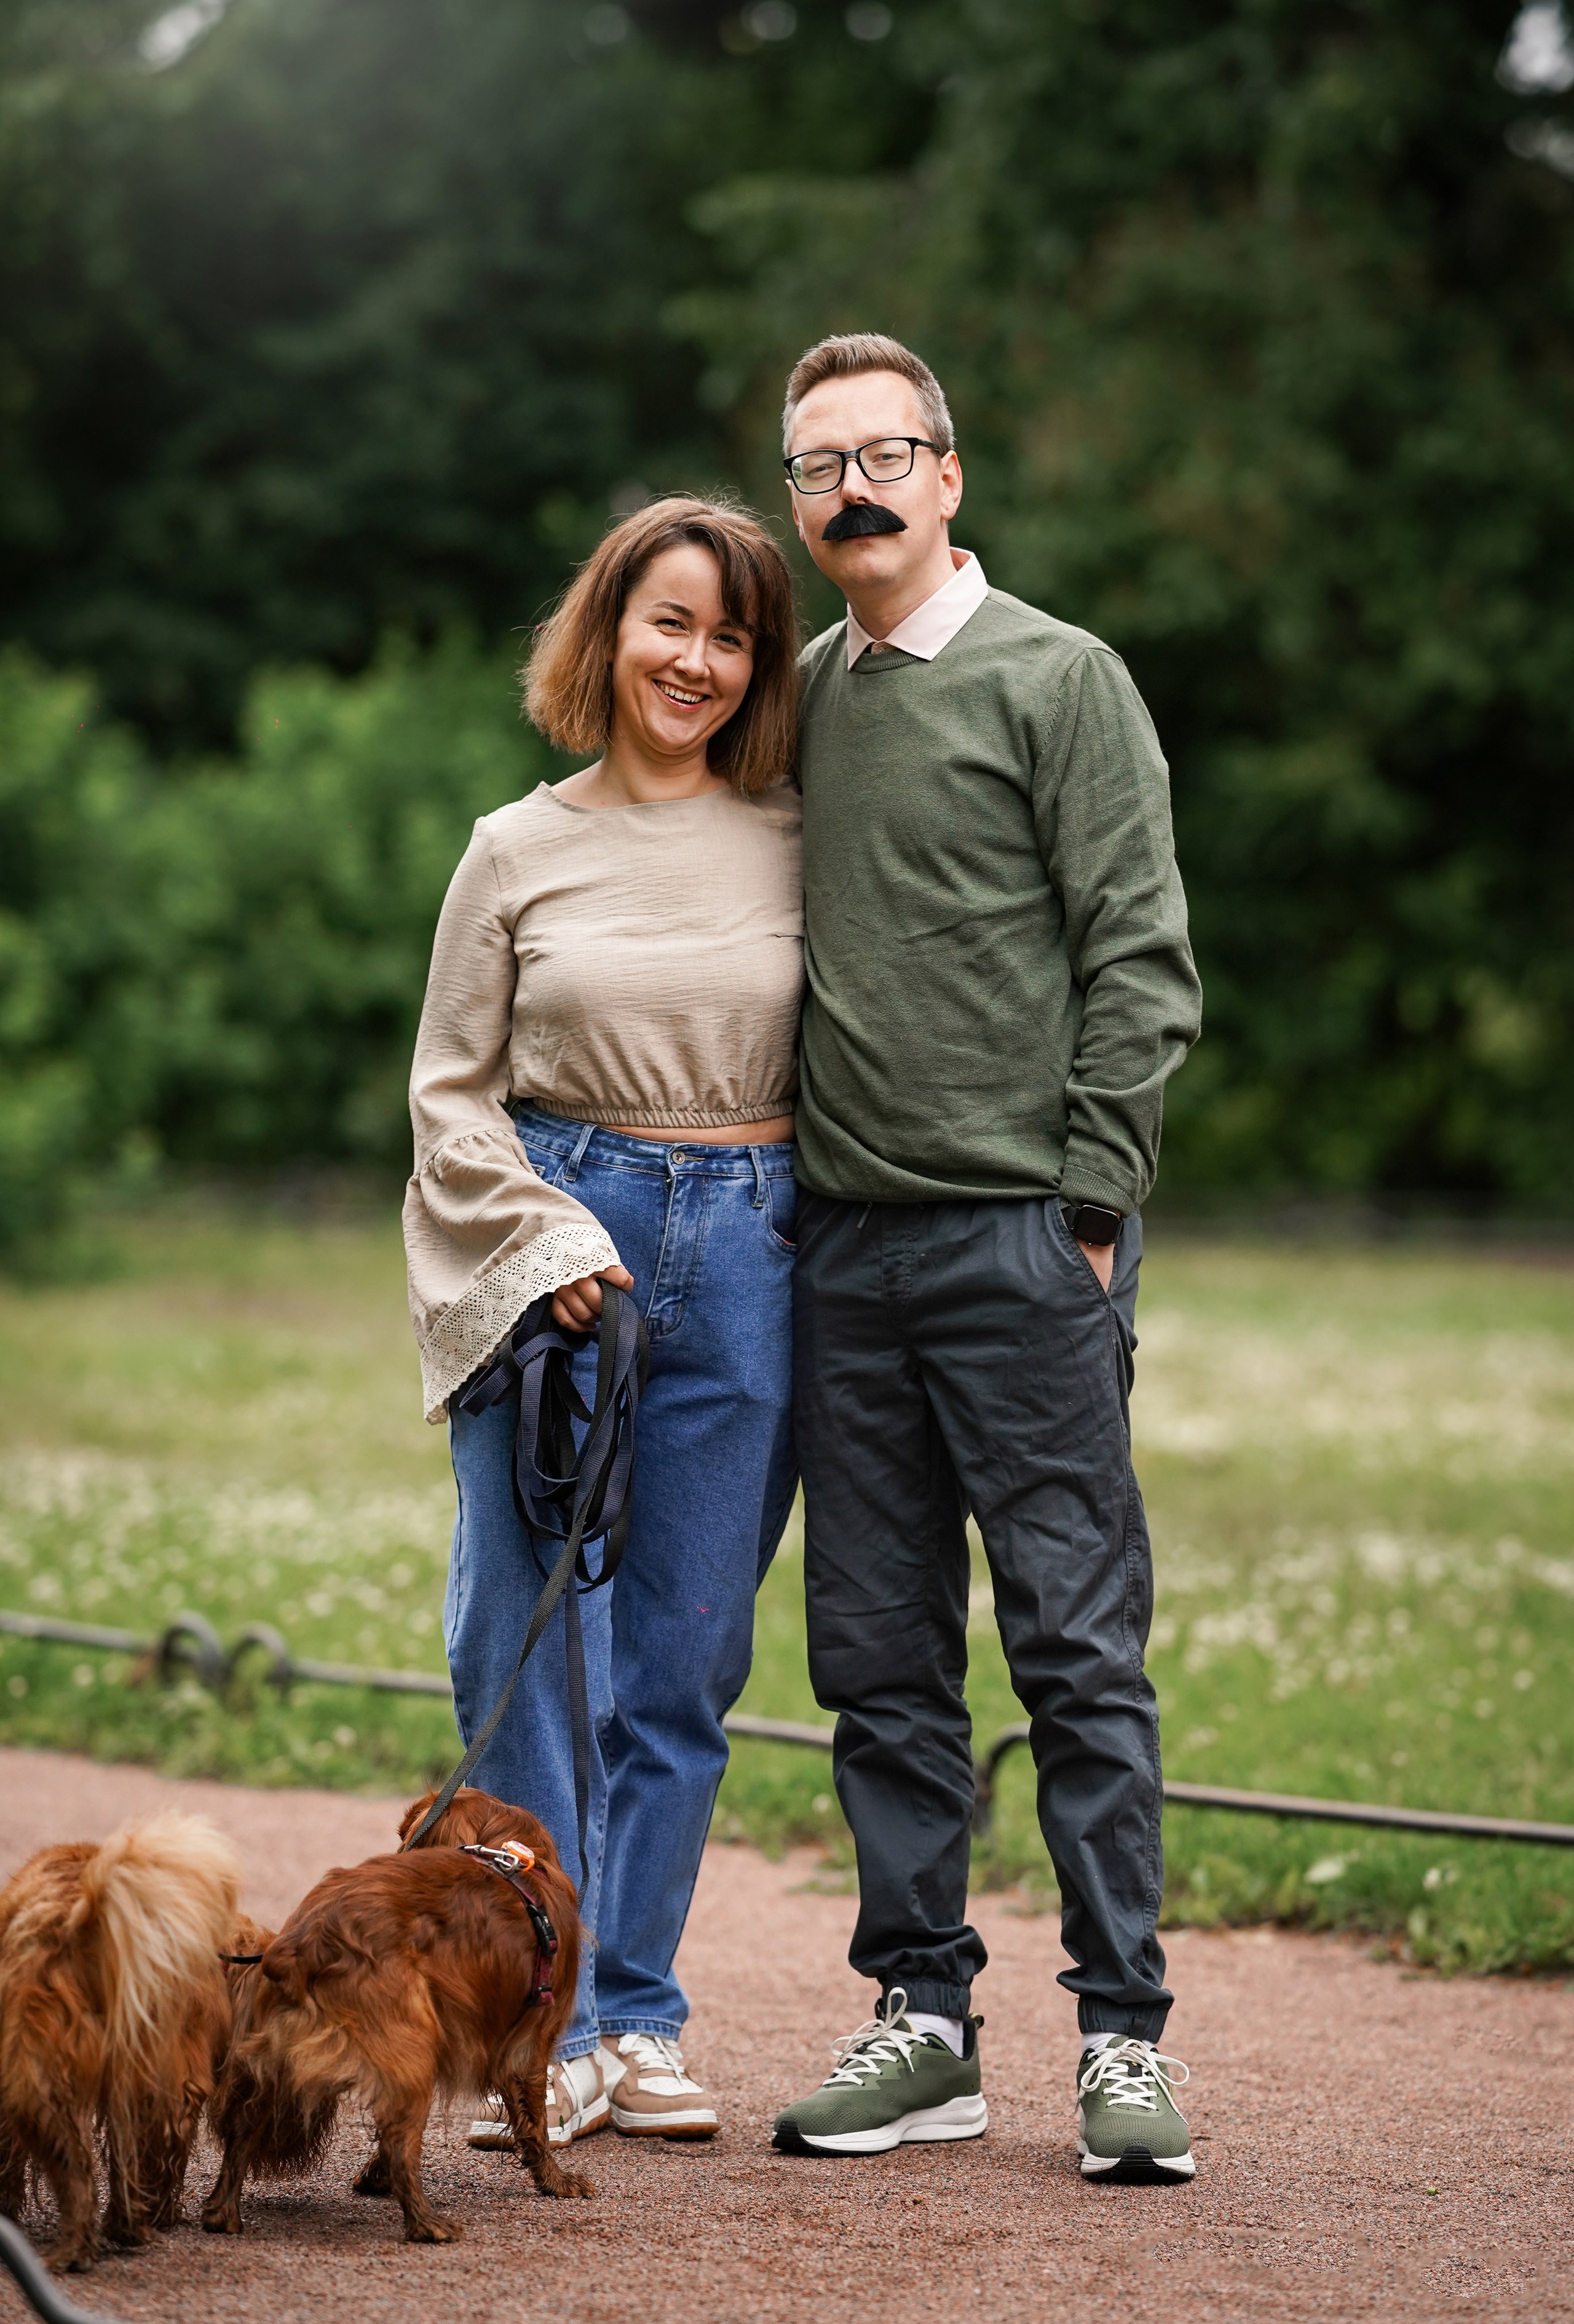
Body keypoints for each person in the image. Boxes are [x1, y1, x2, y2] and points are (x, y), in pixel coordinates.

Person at [768, 334, 1204, 2178]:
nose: (850, 489)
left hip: (1027, 1245)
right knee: (875, 1659)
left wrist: (1093, 1212)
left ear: (949, 474)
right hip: (842, 1256)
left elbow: (1143, 956)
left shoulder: (1061, 676)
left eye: (883, 453)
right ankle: (924, 2021)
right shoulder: (798, 697)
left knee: (1077, 1653)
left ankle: (1121, 2042)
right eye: (815, 467)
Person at [403, 495, 802, 2150]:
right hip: (563, 1247)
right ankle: (532, 2022)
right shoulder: (516, 845)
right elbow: (448, 1091)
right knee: (524, 1632)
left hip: (756, 1237)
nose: (694, 660)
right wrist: (550, 1226)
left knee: (688, 1655)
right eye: (669, 622)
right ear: (607, 629)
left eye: (729, 634)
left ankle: (634, 2009)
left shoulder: (798, 833)